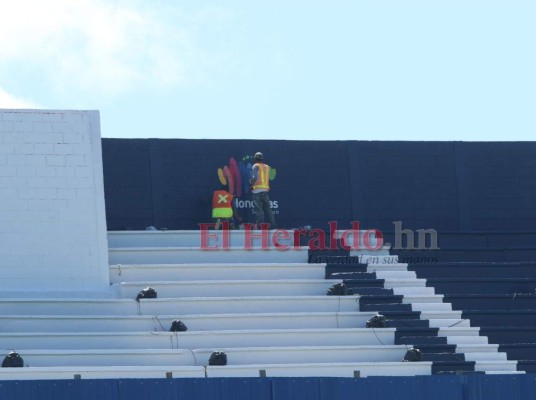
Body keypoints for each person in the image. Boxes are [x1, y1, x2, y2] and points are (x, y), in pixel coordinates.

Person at [249, 152, 277, 229]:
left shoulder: (255, 165)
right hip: (265, 190)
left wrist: (251, 183)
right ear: (262, 159)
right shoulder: (267, 167)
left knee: (258, 209)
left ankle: (259, 225)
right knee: (268, 208)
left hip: (257, 190)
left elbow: (255, 177)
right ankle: (273, 223)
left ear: (255, 159)